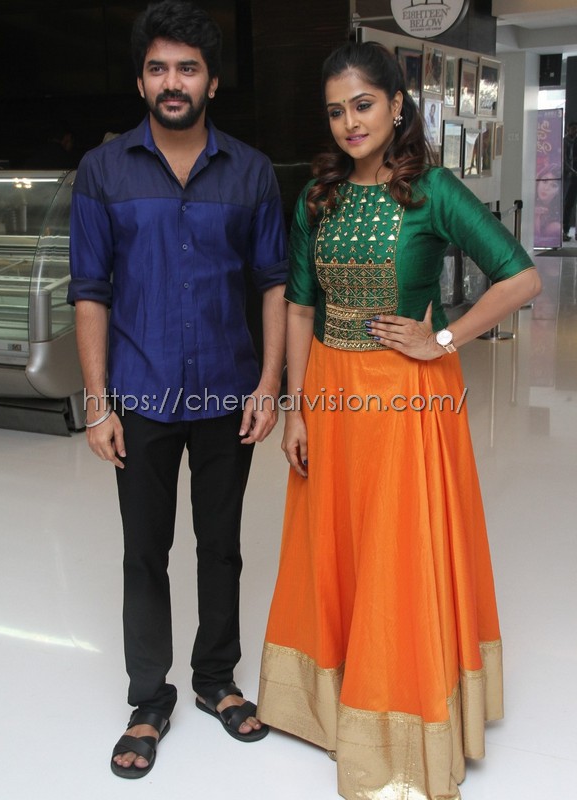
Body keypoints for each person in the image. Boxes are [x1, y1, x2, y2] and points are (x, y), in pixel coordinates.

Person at [257, 41, 540, 800]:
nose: (350, 123)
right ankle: (331, 699)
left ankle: (401, 714)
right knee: (335, 538)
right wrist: (296, 408)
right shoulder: (317, 197)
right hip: (332, 392)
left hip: (407, 397)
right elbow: (300, 307)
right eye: (336, 111)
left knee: (398, 548)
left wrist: (441, 338)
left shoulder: (432, 190)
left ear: (396, 105)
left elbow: (520, 278)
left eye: (363, 105)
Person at [68, 0, 287, 779]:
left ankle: (215, 679)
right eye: (158, 68)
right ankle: (148, 699)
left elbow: (274, 283)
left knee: (221, 546)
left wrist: (269, 384)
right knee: (144, 552)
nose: (172, 81)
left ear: (212, 82)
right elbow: (89, 291)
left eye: (187, 68)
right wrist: (98, 401)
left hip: (229, 392)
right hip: (140, 394)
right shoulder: (104, 172)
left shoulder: (252, 172)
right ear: (140, 81)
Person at [562, 121, 577, 241]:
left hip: (573, 177)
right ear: (568, 129)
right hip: (568, 178)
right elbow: (564, 160)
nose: (575, 131)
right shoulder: (565, 142)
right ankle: (564, 231)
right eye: (573, 129)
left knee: (571, 205)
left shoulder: (573, 141)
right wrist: (572, 171)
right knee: (568, 205)